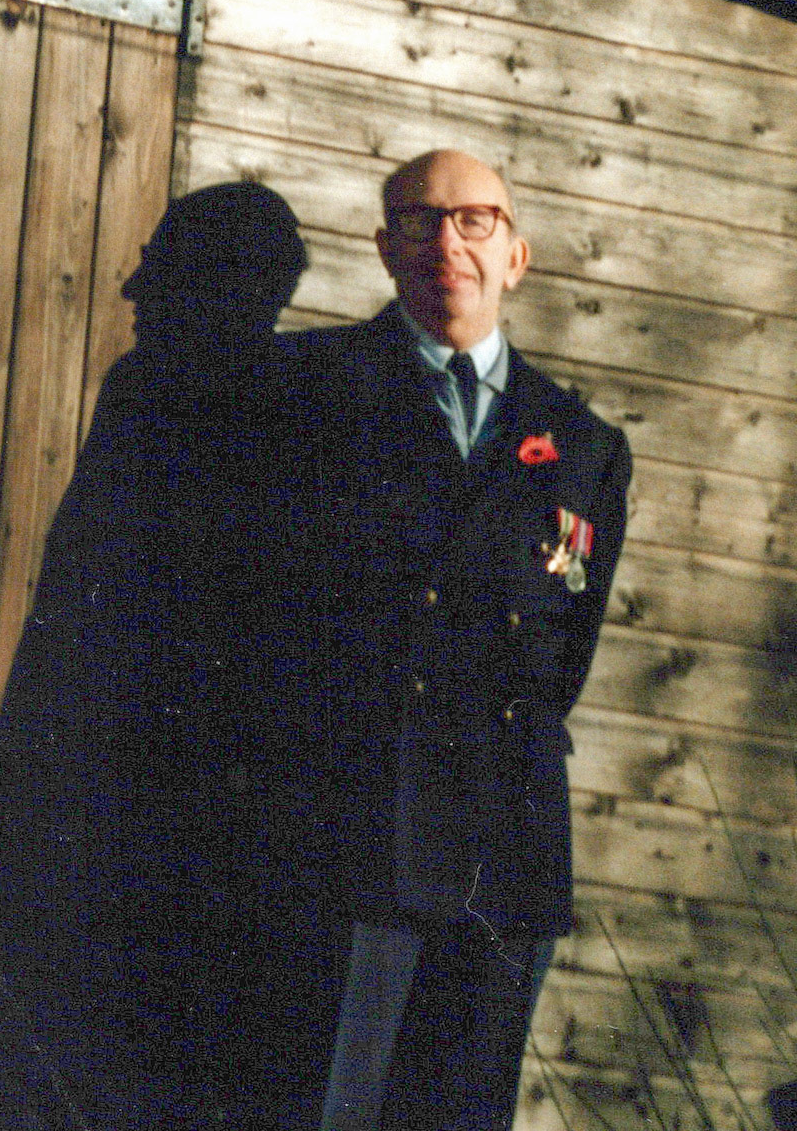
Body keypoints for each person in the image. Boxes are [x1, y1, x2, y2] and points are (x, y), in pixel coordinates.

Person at [0, 180, 337, 1131]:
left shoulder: (244, 413)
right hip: (87, 848)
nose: (129, 286)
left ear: (222, 284)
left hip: (144, 867)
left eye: (158, 264)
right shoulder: (158, 394)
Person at [291, 149, 630, 1131]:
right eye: (418, 219)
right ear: (383, 248)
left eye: (475, 220)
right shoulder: (305, 395)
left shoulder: (582, 446)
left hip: (500, 857)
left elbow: (563, 652)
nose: (448, 241)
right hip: (340, 846)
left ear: (515, 255)